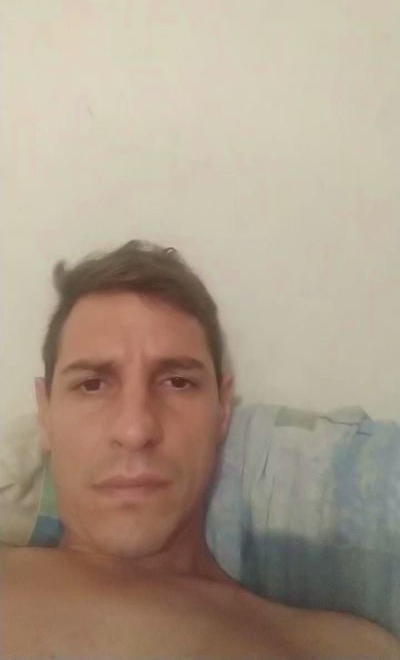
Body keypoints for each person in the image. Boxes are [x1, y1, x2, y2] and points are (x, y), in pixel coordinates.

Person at [1, 240, 399, 660]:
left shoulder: (349, 646)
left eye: (177, 382)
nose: (136, 431)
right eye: (92, 384)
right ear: (45, 414)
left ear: (222, 409)